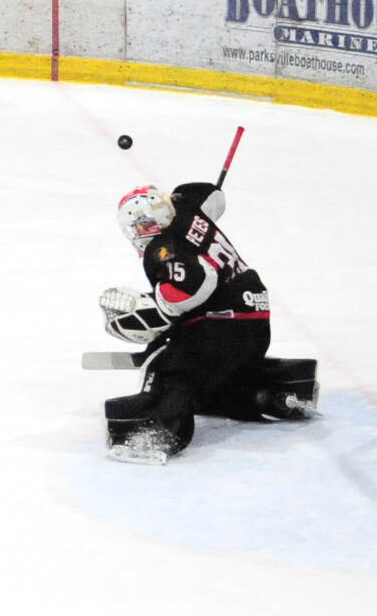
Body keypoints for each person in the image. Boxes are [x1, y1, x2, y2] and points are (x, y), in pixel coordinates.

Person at [99, 182, 318, 464]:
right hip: (254, 320)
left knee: (177, 373)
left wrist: (158, 307)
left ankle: (160, 433)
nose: (139, 234)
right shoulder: (185, 207)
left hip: (221, 328)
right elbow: (212, 196)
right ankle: (271, 395)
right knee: (211, 386)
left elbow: (198, 281)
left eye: (142, 226)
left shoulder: (163, 246)